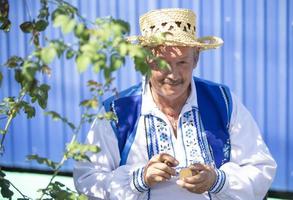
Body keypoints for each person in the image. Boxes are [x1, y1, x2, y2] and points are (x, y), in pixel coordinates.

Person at [73, 8, 277, 200]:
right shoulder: (118, 111)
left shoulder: (223, 101)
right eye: (162, 63)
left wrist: (216, 180)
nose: (173, 74)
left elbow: (261, 167)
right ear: (146, 60)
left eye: (182, 62)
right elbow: (88, 179)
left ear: (195, 59)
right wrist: (139, 179)